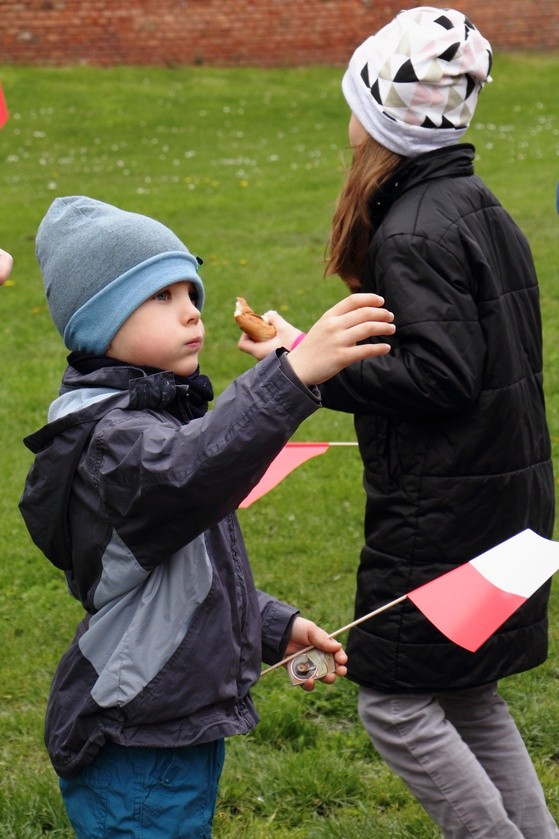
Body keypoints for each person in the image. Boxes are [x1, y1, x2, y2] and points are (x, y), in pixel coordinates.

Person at [238, 7, 558, 838]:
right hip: (497, 501)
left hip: (441, 517)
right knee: (462, 691)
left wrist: (313, 368)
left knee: (390, 704)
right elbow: (459, 357)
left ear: (384, 114)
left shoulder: (412, 229)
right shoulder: (471, 204)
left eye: (354, 95)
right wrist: (305, 347)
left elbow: (439, 374)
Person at [18, 195, 395, 838]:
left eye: (189, 291)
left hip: (165, 723)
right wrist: (292, 375)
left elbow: (184, 576)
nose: (191, 310)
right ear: (98, 323)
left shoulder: (153, 420)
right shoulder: (116, 441)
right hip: (133, 737)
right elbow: (196, 469)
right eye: (160, 297)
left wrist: (273, 624)